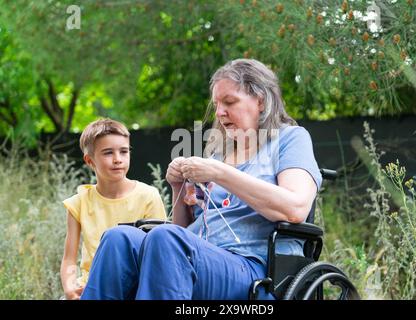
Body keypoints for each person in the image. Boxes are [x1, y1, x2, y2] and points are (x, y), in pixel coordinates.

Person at [80, 59, 322, 300]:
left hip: (253, 268)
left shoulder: (291, 139)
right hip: (203, 260)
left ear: (260, 100)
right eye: (217, 104)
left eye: (229, 102)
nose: (219, 112)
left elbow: (295, 208)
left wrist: (219, 173)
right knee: (118, 238)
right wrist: (178, 188)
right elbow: (183, 232)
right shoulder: (221, 153)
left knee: (167, 239)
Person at [60, 118, 167, 300]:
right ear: (89, 160)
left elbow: (159, 255)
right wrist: (70, 288)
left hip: (135, 288)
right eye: (108, 153)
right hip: (91, 285)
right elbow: (69, 259)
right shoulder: (78, 202)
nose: (118, 159)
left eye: (124, 151)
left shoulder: (148, 196)